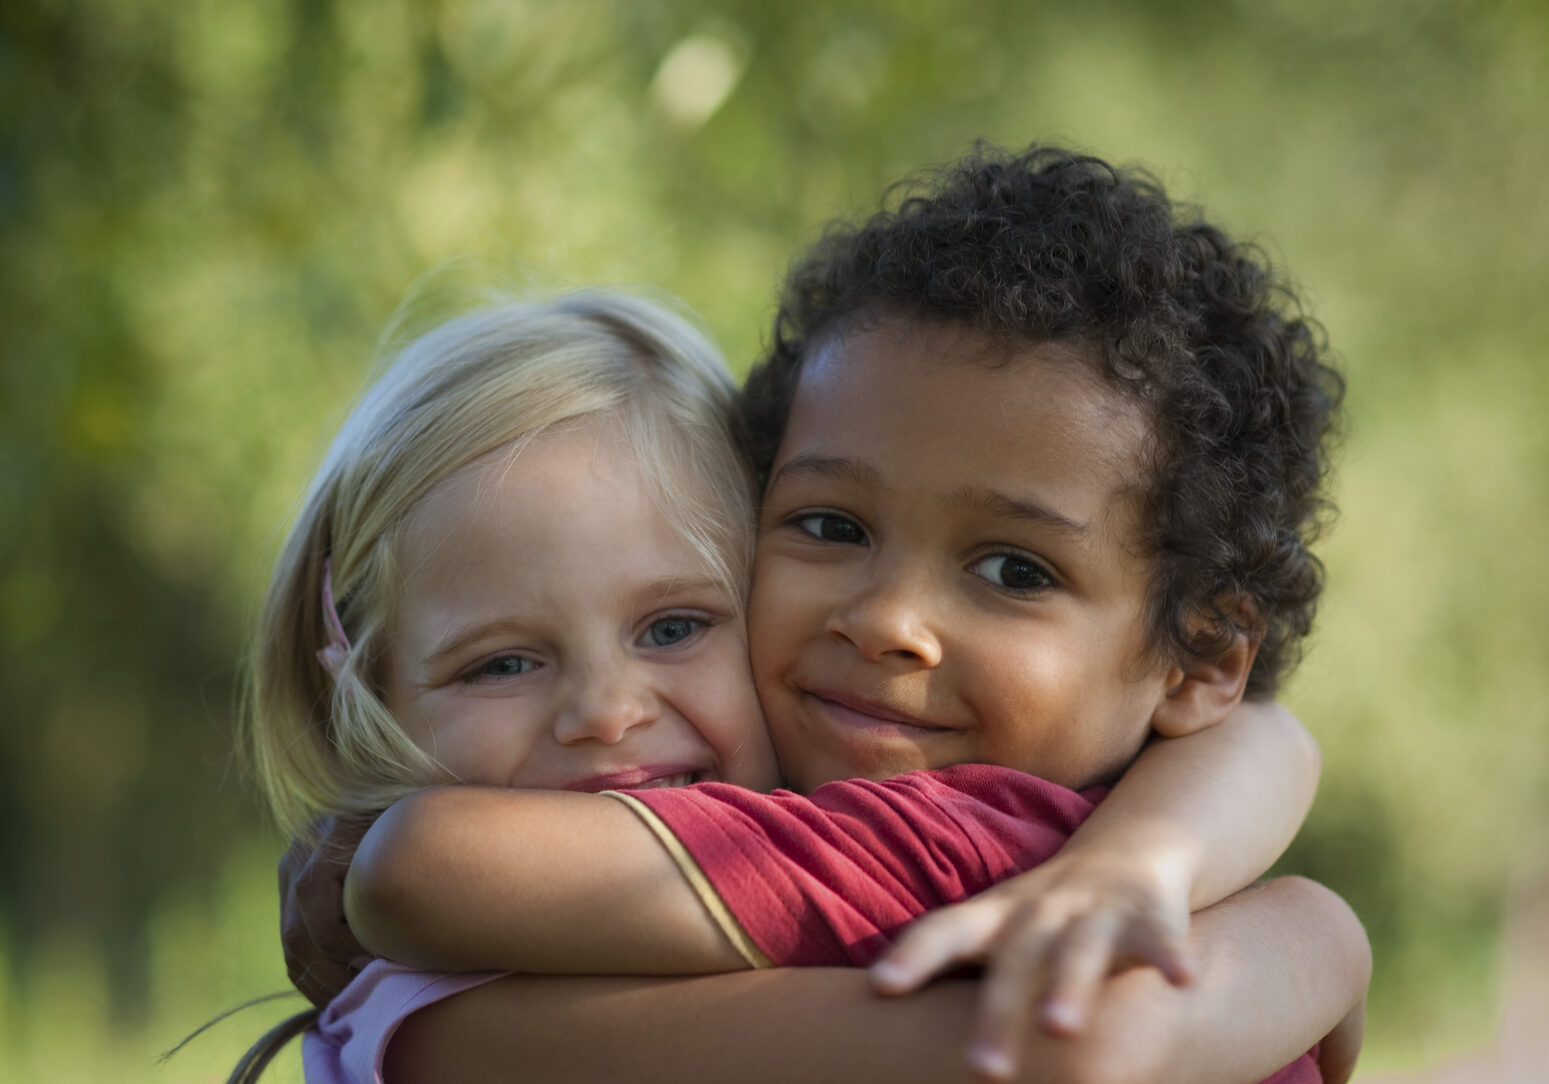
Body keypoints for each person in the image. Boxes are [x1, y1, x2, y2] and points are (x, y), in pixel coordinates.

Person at [259, 145, 1366, 1083]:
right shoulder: (448, 1002)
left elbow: (1264, 738)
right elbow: (1080, 1047)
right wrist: (1310, 933)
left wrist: (1229, 895)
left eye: (1015, 569)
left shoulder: (1052, 853)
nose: (888, 619)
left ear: (1200, 656)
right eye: (832, 528)